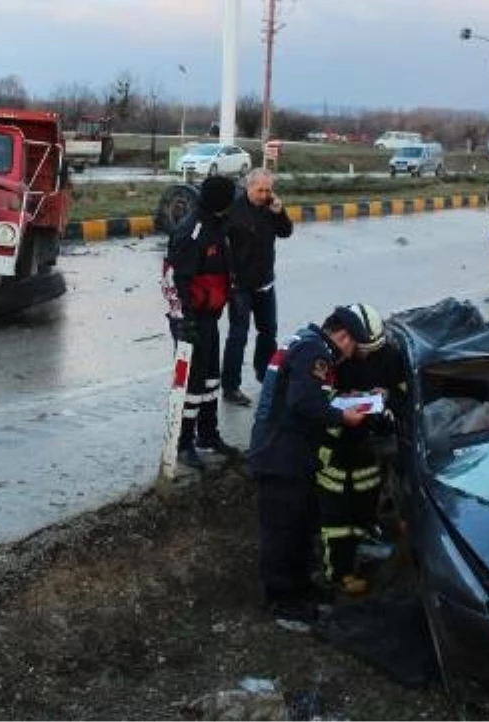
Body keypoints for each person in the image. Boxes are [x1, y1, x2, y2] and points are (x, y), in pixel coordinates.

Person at [247, 305, 378, 631]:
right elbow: (303, 402)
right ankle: (281, 600)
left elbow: (308, 394)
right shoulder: (315, 351)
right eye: (355, 348)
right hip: (281, 456)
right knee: (283, 531)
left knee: (302, 524)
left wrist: (348, 398)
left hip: (291, 453)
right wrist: (342, 416)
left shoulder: (305, 342)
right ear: (344, 337)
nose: (351, 356)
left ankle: (301, 587)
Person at [315, 307, 406, 597]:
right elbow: (313, 402)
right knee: (336, 516)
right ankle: (338, 574)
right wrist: (342, 400)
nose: (365, 356)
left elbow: (403, 393)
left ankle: (363, 551)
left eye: (370, 350)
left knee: (364, 505)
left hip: (367, 445)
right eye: (361, 349)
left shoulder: (388, 356)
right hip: (335, 447)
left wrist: (388, 395)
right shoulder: (329, 358)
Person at [162, 175, 240, 470]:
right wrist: (184, 322)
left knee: (210, 380)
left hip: (209, 316)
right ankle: (182, 444)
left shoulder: (218, 227)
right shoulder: (191, 232)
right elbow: (174, 280)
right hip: (191, 320)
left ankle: (208, 435)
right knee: (192, 384)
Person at [221, 168, 293, 407]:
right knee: (238, 335)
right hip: (240, 285)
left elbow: (286, 232)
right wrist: (229, 275)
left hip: (265, 282)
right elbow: (222, 243)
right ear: (248, 187)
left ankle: (266, 375)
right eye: (260, 190)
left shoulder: (270, 207)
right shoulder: (233, 210)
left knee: (268, 332)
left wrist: (280, 212)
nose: (264, 194)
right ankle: (230, 386)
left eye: (268, 190)